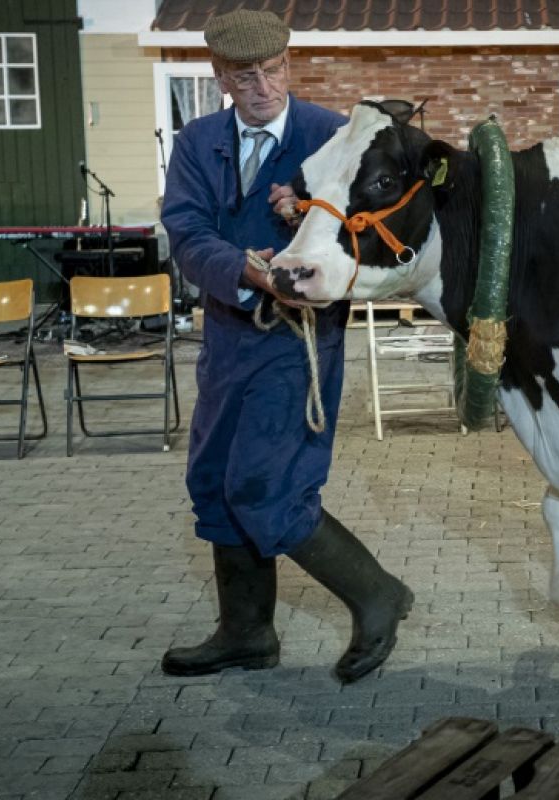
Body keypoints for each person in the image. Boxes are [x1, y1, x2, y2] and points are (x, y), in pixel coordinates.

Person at [159, 8, 413, 683]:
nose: (262, 86)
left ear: (289, 65)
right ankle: (244, 634)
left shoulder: (329, 134)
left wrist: (308, 218)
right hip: (226, 335)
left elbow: (367, 228)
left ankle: (376, 593)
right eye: (245, 76)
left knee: (266, 487)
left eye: (273, 71)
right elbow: (184, 230)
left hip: (296, 341)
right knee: (214, 482)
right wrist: (247, 271)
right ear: (219, 76)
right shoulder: (197, 141)